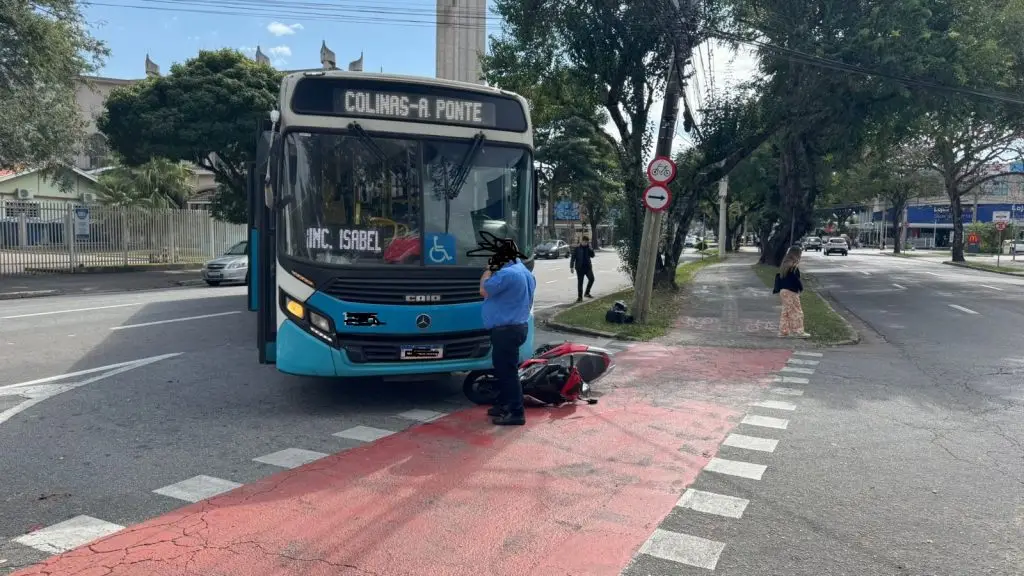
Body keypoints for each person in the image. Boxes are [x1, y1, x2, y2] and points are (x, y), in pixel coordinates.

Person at [480, 254, 537, 426]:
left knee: (508, 372)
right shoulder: (525, 272)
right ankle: (505, 404)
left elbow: (484, 290)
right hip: (517, 326)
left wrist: (488, 270)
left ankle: (516, 412)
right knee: (503, 369)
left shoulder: (507, 274)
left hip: (506, 330)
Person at [776, 246, 810, 339]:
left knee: (786, 311)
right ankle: (798, 331)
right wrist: (801, 289)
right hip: (791, 291)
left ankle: (783, 331)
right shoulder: (794, 266)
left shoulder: (785, 265)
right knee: (796, 312)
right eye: (800, 254)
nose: (800, 256)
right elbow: (796, 280)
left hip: (783, 291)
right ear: (797, 254)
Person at [570, 236, 596, 303]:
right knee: (580, 283)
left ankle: (587, 293)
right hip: (580, 268)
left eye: (587, 242)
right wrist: (571, 267)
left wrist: (591, 249)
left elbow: (593, 256)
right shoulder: (577, 248)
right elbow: (573, 258)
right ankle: (580, 297)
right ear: (582, 241)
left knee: (592, 279)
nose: (586, 243)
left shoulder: (588, 248)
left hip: (587, 267)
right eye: (585, 242)